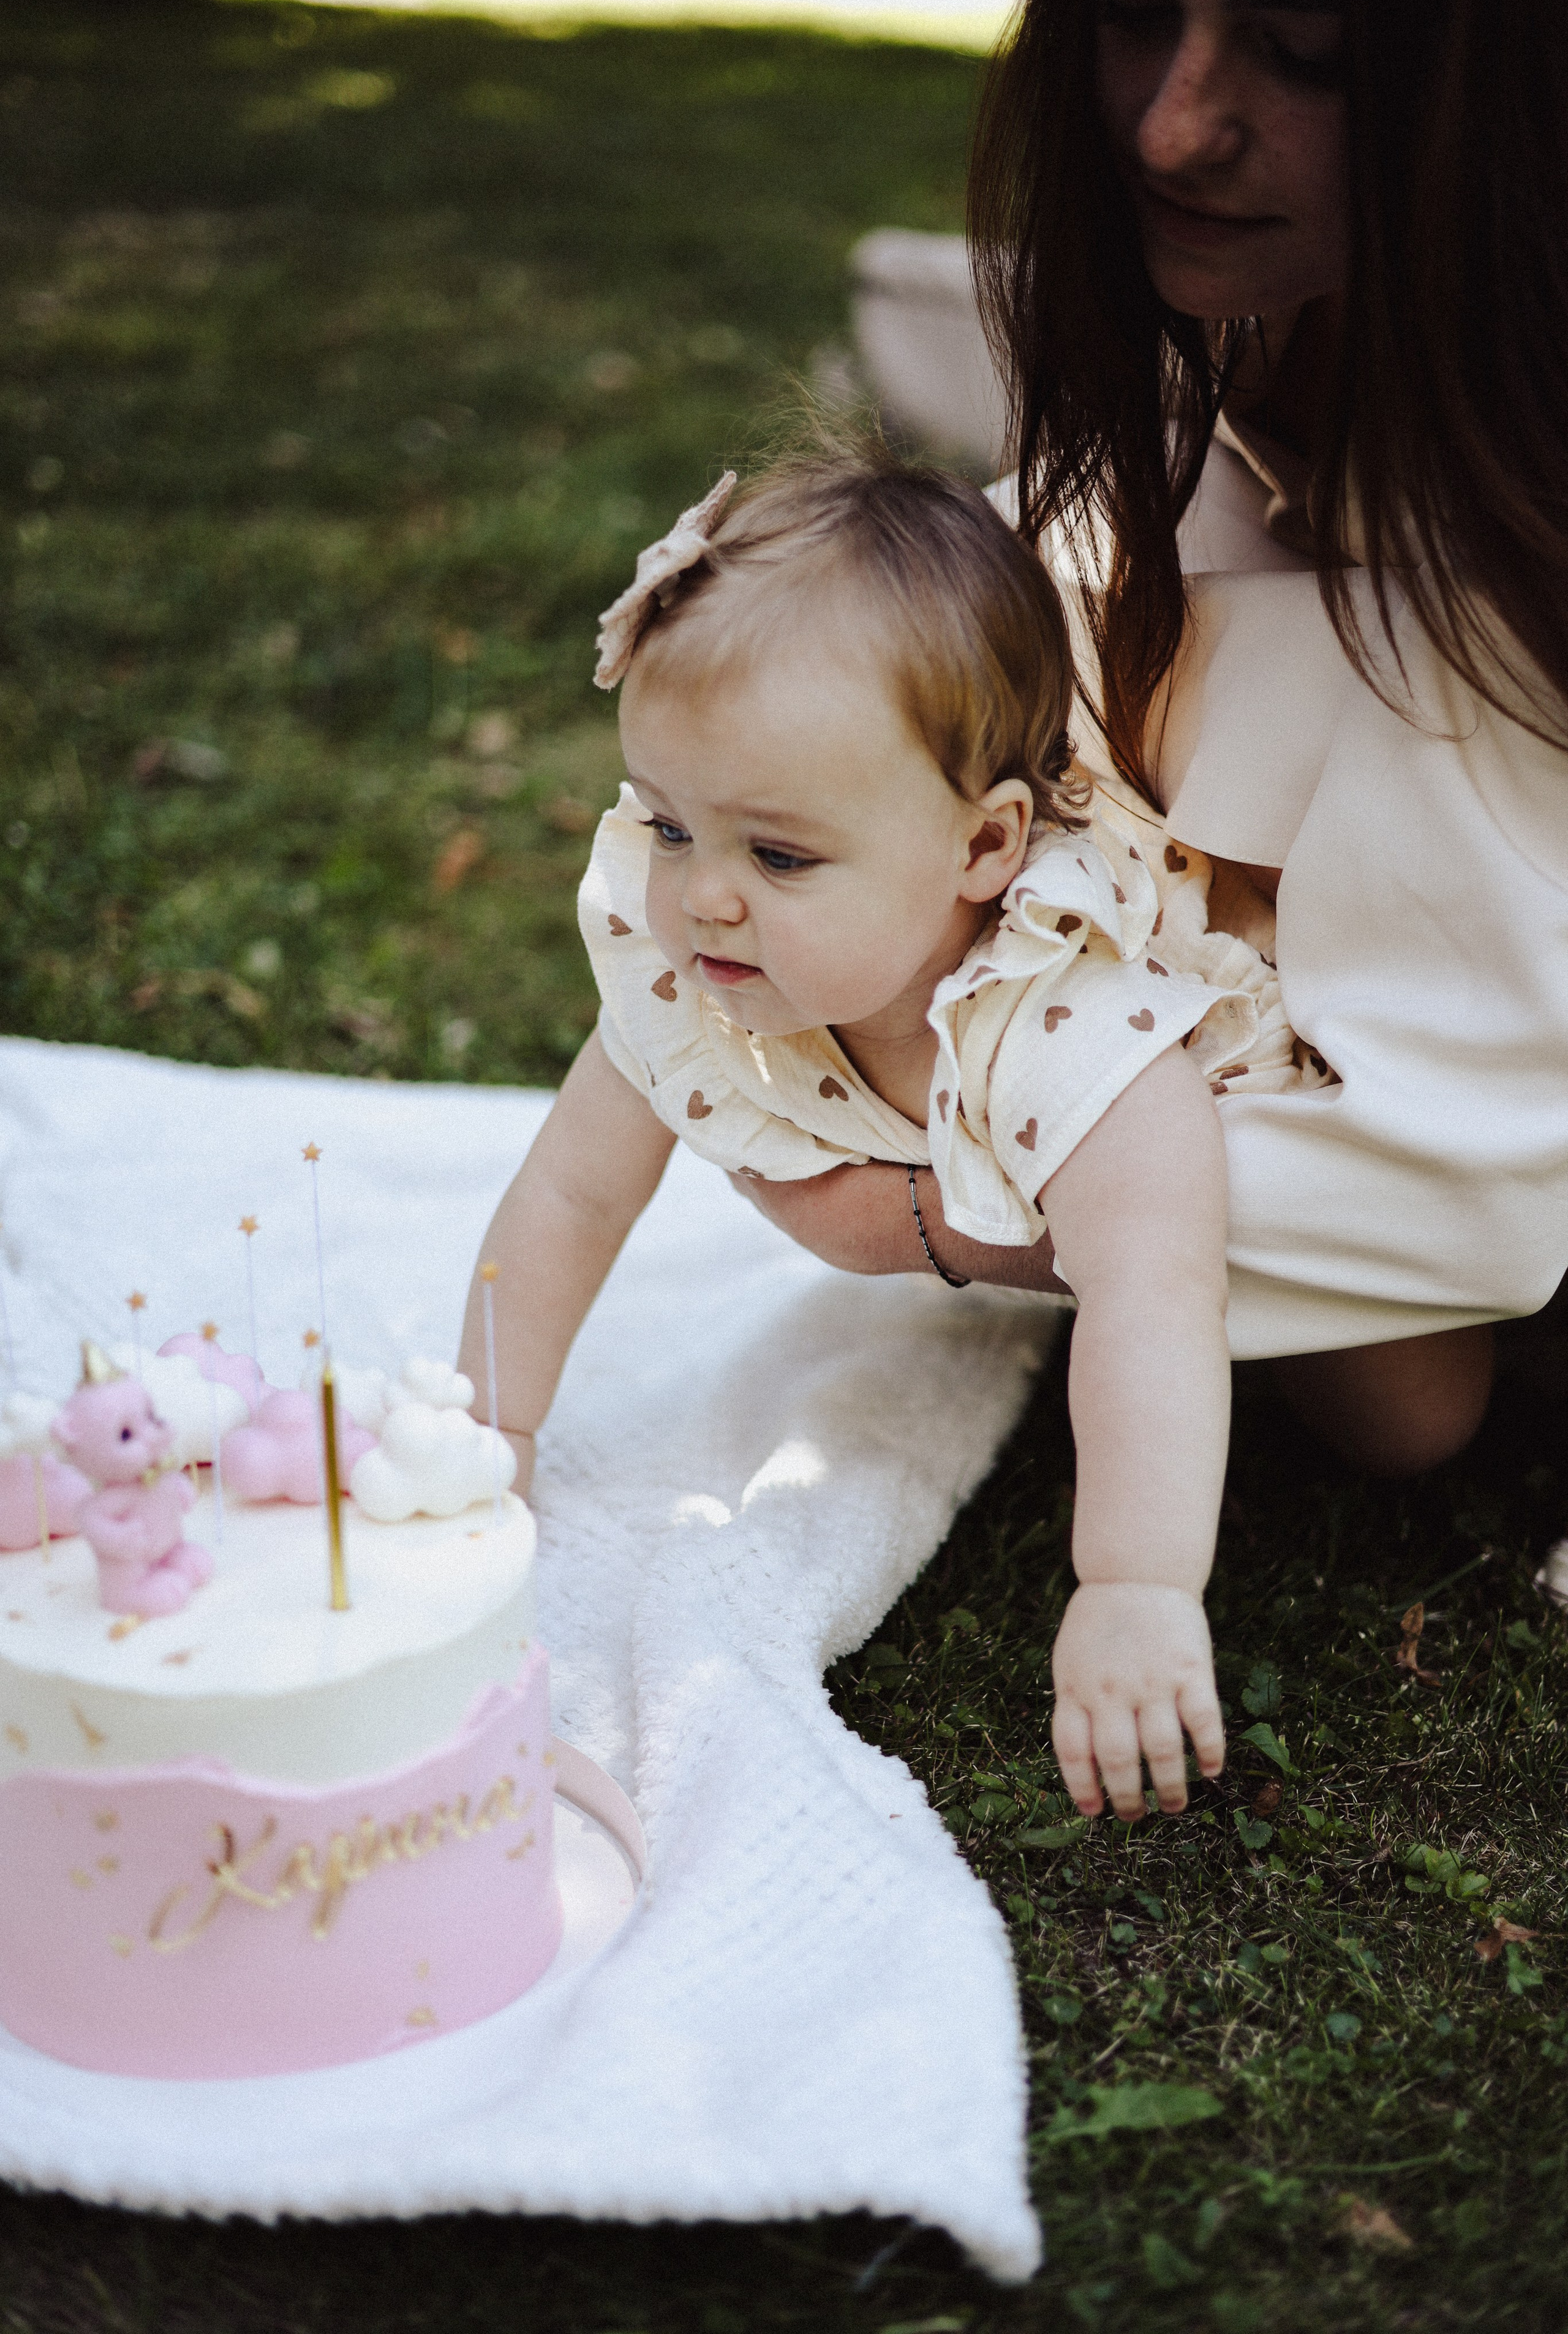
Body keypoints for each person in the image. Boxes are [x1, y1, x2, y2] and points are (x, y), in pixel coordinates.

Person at [733, 0, 1568, 1483]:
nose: (1174, 127)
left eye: (1300, 46)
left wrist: (939, 1216)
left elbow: (1468, 1194)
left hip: (1492, 1178)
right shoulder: (1242, 356)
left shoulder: (1504, 533)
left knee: (1407, 1398)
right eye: (1128, 14)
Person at [460, 445, 1330, 1821]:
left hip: (1300, 1186)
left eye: (778, 855)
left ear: (982, 852)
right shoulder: (689, 964)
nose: (702, 902)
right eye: (669, 825)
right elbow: (571, 1194)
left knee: (1398, 1414)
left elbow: (1153, 1292)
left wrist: (1133, 1586)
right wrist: (487, 1427)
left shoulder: (1064, 1014)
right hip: (1063, 1205)